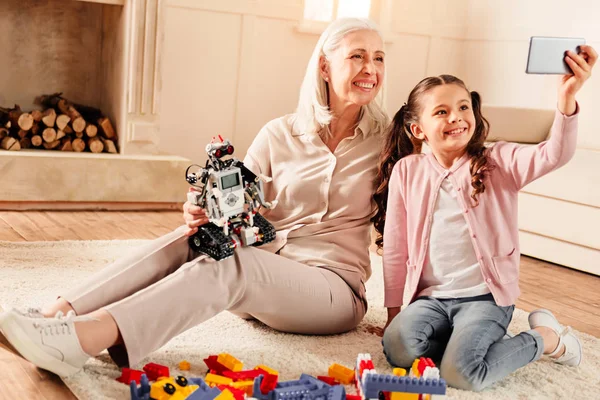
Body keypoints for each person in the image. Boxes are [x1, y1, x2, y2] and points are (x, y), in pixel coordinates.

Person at [0, 17, 389, 377]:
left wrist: (398, 313)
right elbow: (235, 200)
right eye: (357, 56)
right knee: (196, 240)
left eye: (378, 58)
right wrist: (202, 211)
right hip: (263, 278)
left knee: (234, 264)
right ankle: (57, 313)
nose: (370, 68)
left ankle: (85, 338)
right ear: (324, 65)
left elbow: (408, 225)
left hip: (331, 291)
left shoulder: (389, 143)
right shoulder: (280, 133)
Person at [371, 45, 597, 391]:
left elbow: (554, 154)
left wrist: (566, 99)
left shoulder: (499, 160)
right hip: (430, 300)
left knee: (461, 375)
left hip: (484, 299)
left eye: (463, 107)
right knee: (398, 349)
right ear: (418, 130)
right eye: (442, 111)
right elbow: (397, 246)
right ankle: (462, 343)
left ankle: (547, 338)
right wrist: (392, 315)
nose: (456, 117)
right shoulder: (408, 171)